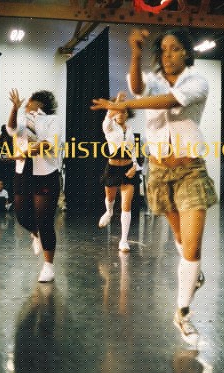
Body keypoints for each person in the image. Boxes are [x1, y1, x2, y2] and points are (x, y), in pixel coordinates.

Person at [91, 28, 217, 345]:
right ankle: (193, 274)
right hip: (159, 172)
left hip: (190, 170)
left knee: (192, 247)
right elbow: (136, 86)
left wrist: (126, 106)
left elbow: (170, 101)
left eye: (175, 48)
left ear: (186, 52)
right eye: (163, 50)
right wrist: (135, 53)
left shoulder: (197, 82)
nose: (168, 54)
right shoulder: (153, 80)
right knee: (180, 239)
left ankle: (183, 314)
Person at [6, 89, 64, 283]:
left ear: (39, 103)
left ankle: (48, 266)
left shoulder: (52, 120)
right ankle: (35, 234)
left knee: (44, 220)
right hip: (23, 171)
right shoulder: (23, 119)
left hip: (45, 172)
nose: (26, 102)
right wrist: (14, 109)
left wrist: (27, 151)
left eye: (29, 100)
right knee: (22, 216)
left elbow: (48, 143)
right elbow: (11, 129)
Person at [98, 91, 140, 252]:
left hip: (128, 169)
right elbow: (108, 116)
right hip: (113, 169)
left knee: (126, 205)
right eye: (117, 111)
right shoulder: (108, 127)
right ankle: (108, 212)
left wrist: (135, 166)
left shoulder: (130, 129)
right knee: (110, 199)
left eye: (123, 111)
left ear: (127, 114)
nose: (120, 114)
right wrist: (117, 102)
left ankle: (123, 240)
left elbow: (133, 150)